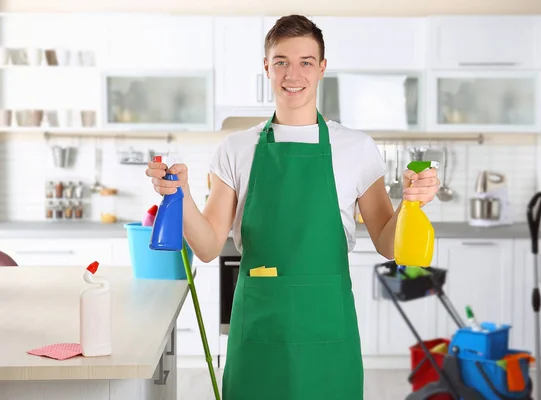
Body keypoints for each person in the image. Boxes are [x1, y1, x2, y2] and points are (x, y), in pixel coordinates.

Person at [146, 14, 440, 400]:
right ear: (267, 67)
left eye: (305, 62)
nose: (292, 74)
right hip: (260, 328)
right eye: (281, 61)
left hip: (327, 328)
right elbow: (207, 247)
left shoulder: (356, 148)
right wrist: (178, 194)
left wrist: (411, 203)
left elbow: (389, 243)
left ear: (321, 69)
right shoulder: (236, 149)